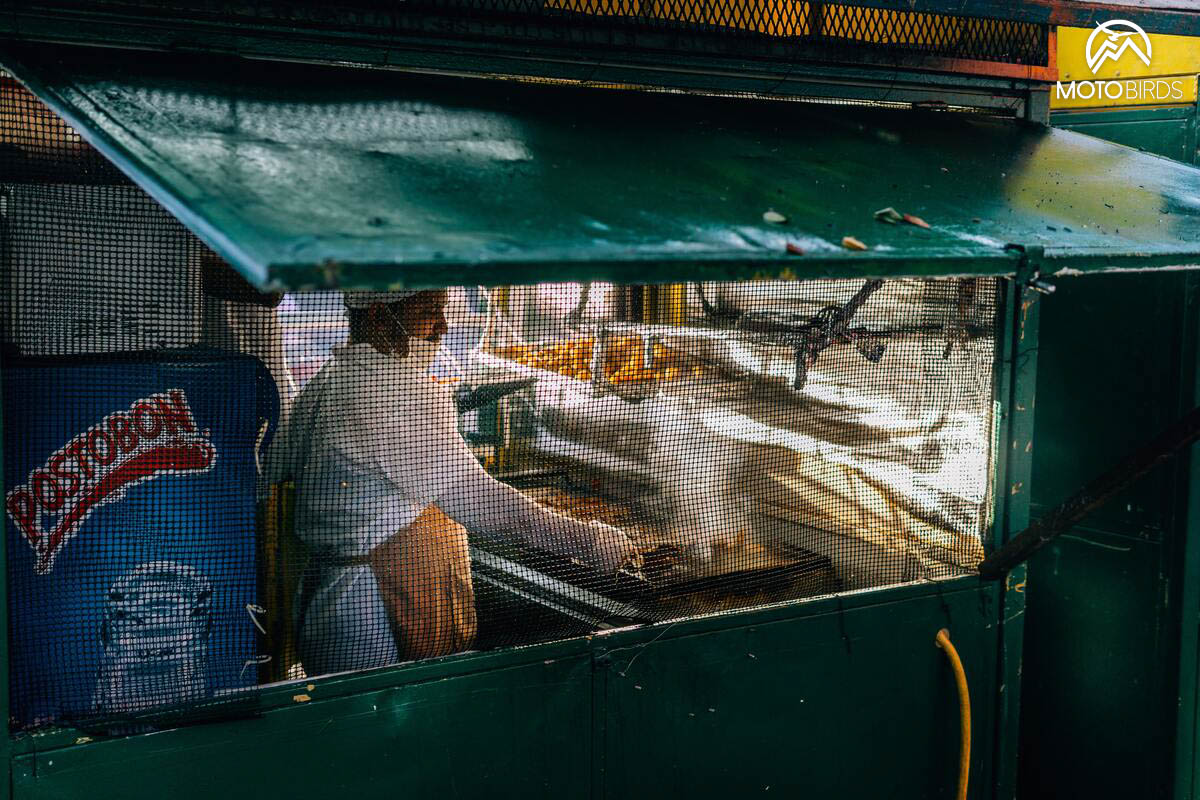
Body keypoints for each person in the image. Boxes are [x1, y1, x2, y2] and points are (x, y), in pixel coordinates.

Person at [269, 289, 635, 675]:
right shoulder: (403, 391)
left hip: (324, 605)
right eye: (429, 312)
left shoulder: (326, 380)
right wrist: (594, 542)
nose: (443, 326)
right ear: (379, 315)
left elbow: (284, 467)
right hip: (373, 613)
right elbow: (486, 504)